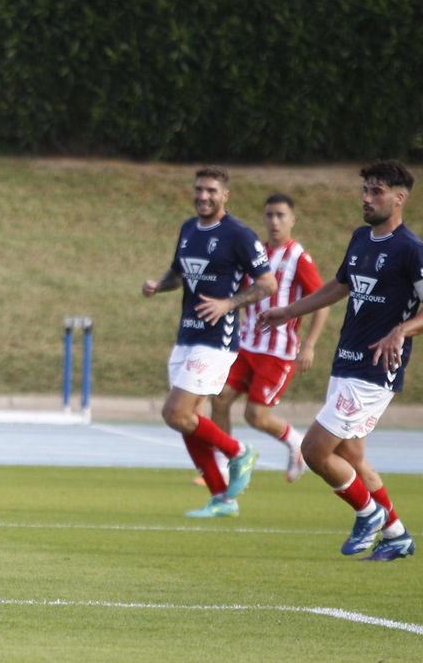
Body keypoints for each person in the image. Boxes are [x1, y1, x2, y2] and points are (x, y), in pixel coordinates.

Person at [258, 160, 420, 561]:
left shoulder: (410, 250)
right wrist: (289, 311)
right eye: (365, 190)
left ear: (399, 198)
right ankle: (396, 535)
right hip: (346, 361)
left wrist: (402, 330)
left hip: (375, 369)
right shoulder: (361, 238)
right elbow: (339, 286)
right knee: (350, 457)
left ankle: (368, 513)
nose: (366, 198)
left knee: (314, 450)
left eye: (376, 191)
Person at [142, 166, 276, 519]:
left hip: (217, 339)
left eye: (211, 191)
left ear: (225, 195)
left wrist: (228, 303)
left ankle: (238, 452)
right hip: (187, 335)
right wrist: (159, 285)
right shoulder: (188, 228)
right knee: (186, 419)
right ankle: (222, 498)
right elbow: (178, 273)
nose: (203, 196)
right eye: (199, 189)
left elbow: (268, 284)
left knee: (175, 412)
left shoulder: (239, 235)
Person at [209, 193, 329, 482]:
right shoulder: (257, 253)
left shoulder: (298, 258)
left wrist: (309, 345)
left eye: (280, 215)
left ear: (292, 220)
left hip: (278, 352)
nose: (274, 221)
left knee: (256, 415)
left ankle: (296, 444)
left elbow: (322, 303)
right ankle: (225, 464)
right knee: (219, 398)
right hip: (246, 346)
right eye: (269, 215)